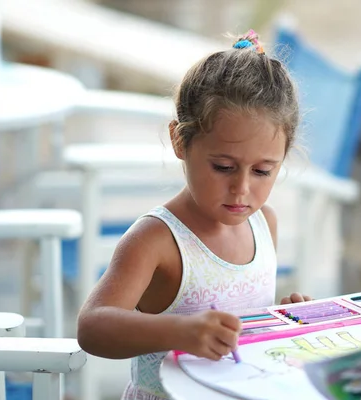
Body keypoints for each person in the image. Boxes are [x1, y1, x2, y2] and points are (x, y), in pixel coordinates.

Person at [77, 29, 312, 400]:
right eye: (223, 166)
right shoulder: (156, 240)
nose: (242, 189)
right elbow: (92, 327)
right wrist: (180, 332)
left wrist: (283, 321)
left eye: (263, 171)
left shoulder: (264, 224)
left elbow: (240, 329)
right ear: (179, 141)